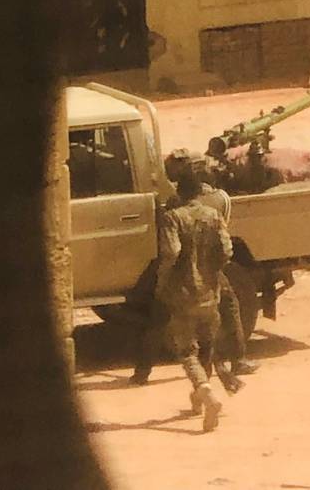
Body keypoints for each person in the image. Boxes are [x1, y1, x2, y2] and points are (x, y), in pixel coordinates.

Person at [131, 160, 232, 432]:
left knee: (187, 350)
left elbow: (172, 251)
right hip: (210, 292)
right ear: (199, 191)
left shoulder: (172, 217)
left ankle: (205, 391)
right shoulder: (213, 215)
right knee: (207, 345)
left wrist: (163, 279)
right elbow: (226, 250)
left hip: (182, 293)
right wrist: (212, 271)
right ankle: (198, 400)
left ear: (179, 190)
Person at [164, 150, 259, 381]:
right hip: (210, 271)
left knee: (163, 317)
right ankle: (236, 361)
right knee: (228, 308)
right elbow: (225, 246)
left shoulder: (173, 205)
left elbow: (172, 250)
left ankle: (144, 371)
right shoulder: (219, 201)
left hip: (182, 274)